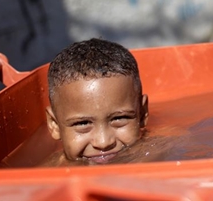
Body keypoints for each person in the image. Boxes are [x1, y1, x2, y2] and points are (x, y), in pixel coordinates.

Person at [43, 38, 149, 166]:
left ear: (142, 113)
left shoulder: (163, 156)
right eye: (83, 123)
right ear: (54, 125)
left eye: (119, 118)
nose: (103, 142)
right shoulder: (48, 177)